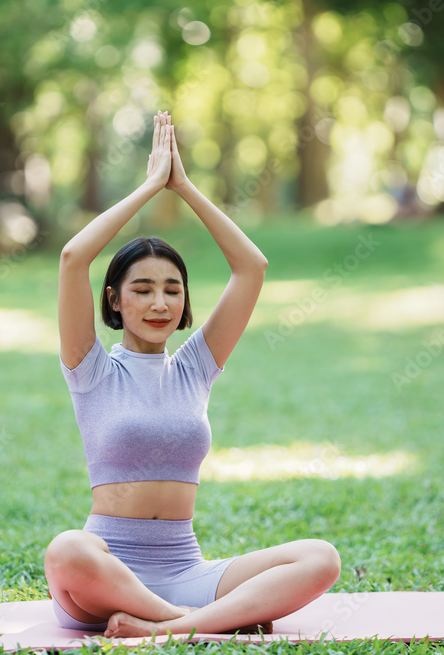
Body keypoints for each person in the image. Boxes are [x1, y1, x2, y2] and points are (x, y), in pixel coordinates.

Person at [45, 110, 341, 638]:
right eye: (142, 289)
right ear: (113, 299)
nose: (159, 302)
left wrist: (184, 187)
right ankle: (197, 625)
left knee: (320, 558)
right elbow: (73, 258)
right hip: (109, 573)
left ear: (184, 301)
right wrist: (149, 187)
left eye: (172, 289)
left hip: (186, 570)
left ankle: (163, 627)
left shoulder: (194, 368)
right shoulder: (91, 370)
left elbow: (252, 266)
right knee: (68, 549)